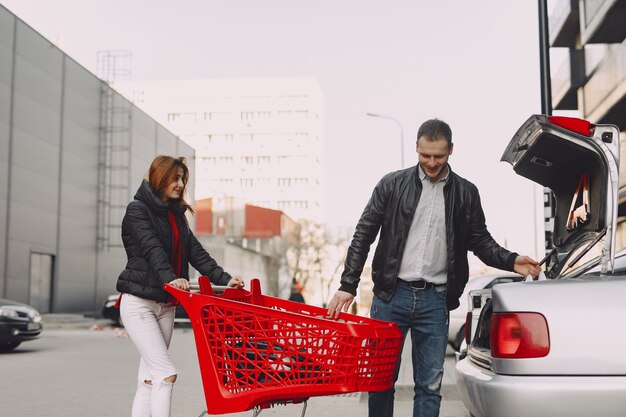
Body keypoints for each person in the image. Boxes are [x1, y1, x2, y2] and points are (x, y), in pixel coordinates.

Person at [326, 119, 540, 417]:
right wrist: (348, 285)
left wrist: (511, 260)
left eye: (438, 156)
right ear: (416, 147)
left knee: (429, 386)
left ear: (451, 150)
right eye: (425, 155)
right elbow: (364, 233)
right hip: (390, 296)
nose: (431, 162)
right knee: (380, 382)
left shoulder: (466, 193)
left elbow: (480, 240)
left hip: (435, 300)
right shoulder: (392, 184)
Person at [116, 155, 244, 417]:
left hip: (166, 305)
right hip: (139, 303)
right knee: (166, 374)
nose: (180, 184)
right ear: (159, 177)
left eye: (183, 179)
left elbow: (196, 253)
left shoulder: (176, 216)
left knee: (149, 379)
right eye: (175, 178)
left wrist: (225, 279)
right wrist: (170, 278)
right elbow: (151, 248)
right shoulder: (137, 209)